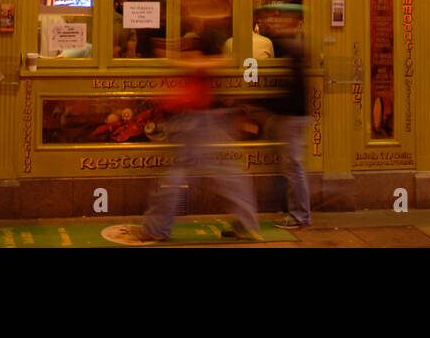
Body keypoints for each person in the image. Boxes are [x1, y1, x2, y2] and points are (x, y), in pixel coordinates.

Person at [129, 26, 263, 242]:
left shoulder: (208, 41)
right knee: (226, 175)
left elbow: (215, 62)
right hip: (202, 119)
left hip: (196, 122)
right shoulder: (207, 39)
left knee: (179, 176)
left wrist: (177, 58)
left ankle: (156, 227)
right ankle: (246, 223)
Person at [268, 35, 311, 231]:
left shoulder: (292, 61)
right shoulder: (296, 60)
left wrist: (269, 105)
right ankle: (298, 213)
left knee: (294, 167)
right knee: (293, 166)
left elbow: (289, 96)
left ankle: (300, 216)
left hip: (291, 118)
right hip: (295, 118)